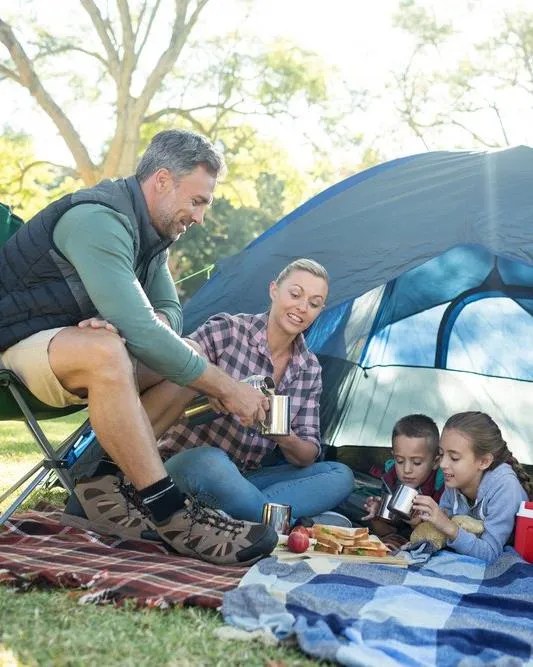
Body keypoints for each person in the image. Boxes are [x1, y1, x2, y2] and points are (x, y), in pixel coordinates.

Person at [0, 129, 278, 565]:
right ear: (163, 180)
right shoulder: (98, 219)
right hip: (12, 346)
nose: (201, 216)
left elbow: (168, 314)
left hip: (63, 348)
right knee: (108, 351)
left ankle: (102, 482)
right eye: (198, 201)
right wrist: (226, 388)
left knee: (183, 353)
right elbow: (144, 331)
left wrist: (132, 324)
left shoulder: (151, 238)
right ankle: (170, 512)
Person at [155, 259, 355, 524]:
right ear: (274, 290)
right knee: (212, 462)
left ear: (320, 311)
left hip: (246, 478)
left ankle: (235, 516)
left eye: (314, 303)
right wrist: (219, 388)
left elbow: (308, 453)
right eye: (295, 294)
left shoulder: (309, 369)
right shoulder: (230, 329)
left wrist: (281, 435)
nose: (302, 307)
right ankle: (285, 524)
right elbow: (182, 353)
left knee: (339, 474)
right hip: (188, 464)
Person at [412, 411, 533, 564]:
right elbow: (439, 533)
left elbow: (490, 553)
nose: (443, 464)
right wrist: (422, 522)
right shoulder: (454, 480)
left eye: (454, 458)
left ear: (484, 462)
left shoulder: (505, 488)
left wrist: (448, 526)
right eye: (441, 454)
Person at [361, 414, 443, 545]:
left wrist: (417, 525)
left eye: (416, 462)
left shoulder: (442, 488)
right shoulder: (391, 479)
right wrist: (378, 514)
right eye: (399, 461)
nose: (407, 470)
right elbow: (386, 531)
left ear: (436, 461)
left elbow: (438, 540)